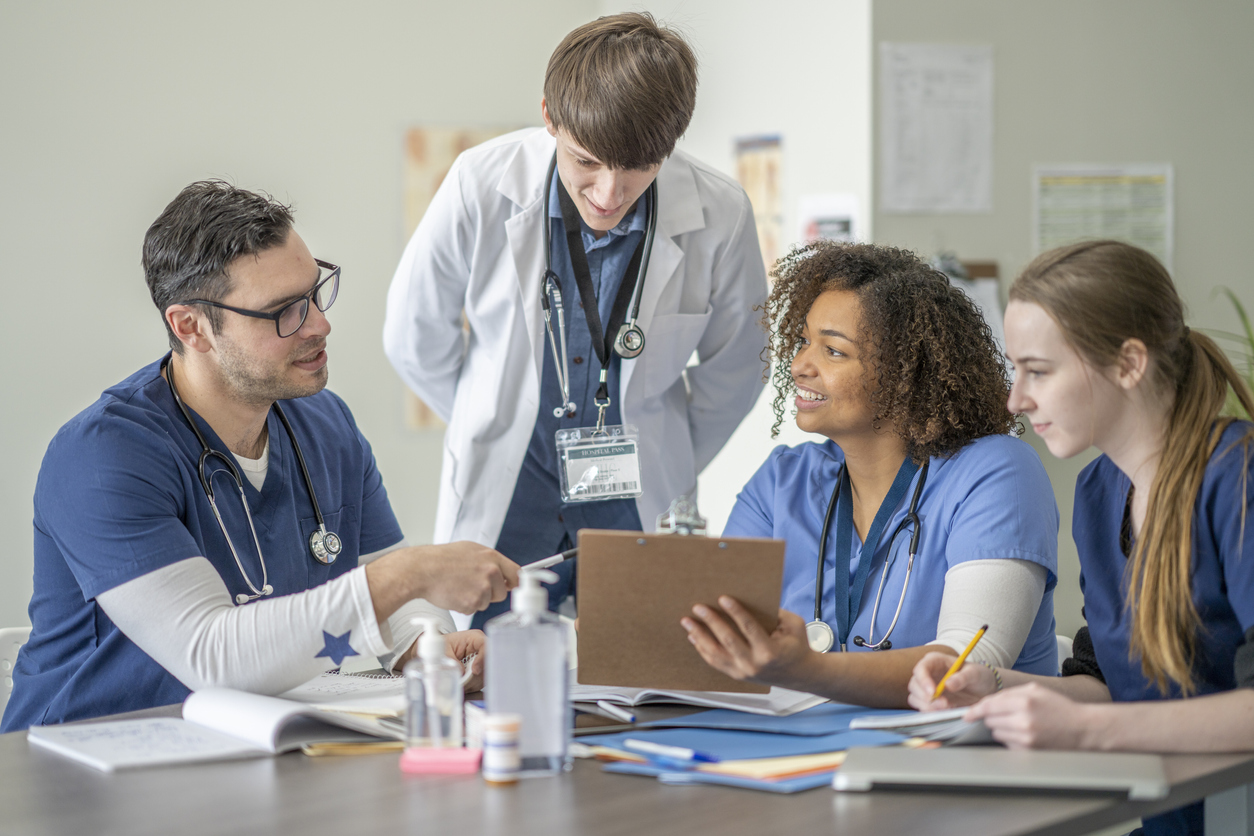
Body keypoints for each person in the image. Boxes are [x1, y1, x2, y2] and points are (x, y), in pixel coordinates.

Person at [1, 181, 520, 732]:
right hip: (84, 772)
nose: (319, 324)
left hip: (249, 748)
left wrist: (428, 644)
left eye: (315, 294)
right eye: (284, 312)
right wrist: (412, 574)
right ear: (191, 326)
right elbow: (211, 655)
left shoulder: (326, 425)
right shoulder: (103, 456)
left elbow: (392, 601)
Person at [383, 13, 767, 628]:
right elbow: (413, 334)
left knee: (643, 674)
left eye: (638, 167)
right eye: (586, 161)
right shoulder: (482, 183)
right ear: (548, 116)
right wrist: (492, 414)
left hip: (637, 494)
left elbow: (740, 365)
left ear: (671, 144)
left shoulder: (719, 211)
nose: (609, 194)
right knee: (488, 673)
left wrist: (666, 447)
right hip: (508, 492)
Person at [907, 240, 1254, 836]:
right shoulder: (1098, 491)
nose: (1016, 399)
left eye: (1037, 371)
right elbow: (1110, 686)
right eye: (1014, 370)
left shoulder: (1237, 478)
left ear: (1128, 364)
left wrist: (1090, 733)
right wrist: (990, 687)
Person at [680, 241, 1059, 708]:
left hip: (963, 760)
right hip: (803, 758)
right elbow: (720, 637)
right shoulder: (783, 482)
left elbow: (969, 665)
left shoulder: (997, 472)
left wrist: (808, 669)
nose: (800, 366)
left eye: (834, 351)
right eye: (802, 342)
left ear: (905, 374)